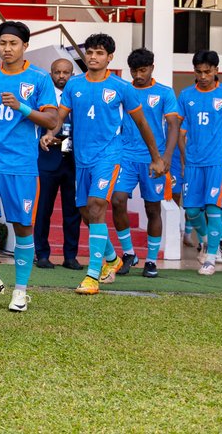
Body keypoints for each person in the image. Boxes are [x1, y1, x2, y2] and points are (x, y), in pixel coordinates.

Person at [44, 34, 165, 295]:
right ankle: (112, 259)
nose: (93, 57)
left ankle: (92, 276)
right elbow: (60, 116)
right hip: (82, 159)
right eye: (89, 52)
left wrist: (156, 157)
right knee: (87, 214)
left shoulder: (122, 87)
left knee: (97, 206)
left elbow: (143, 124)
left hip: (109, 156)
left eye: (99, 53)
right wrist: (50, 134)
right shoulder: (74, 85)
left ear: (109, 57)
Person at [0, 21, 58, 312]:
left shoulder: (40, 79)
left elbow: (52, 121)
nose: (7, 48)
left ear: (24, 46)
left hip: (21, 165)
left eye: (13, 43)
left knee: (23, 226)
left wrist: (22, 107)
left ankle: (20, 290)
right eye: (2, 43)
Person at [108, 48, 179, 279]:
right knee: (117, 201)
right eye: (134, 70)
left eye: (143, 70)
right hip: (125, 156)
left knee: (152, 208)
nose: (138, 75)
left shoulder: (164, 93)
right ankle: (129, 253)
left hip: (153, 159)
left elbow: (173, 126)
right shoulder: (123, 90)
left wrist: (166, 158)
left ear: (151, 68)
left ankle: (150, 259)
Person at [177, 50, 222, 276]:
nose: (203, 76)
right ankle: (211, 242)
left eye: (207, 72)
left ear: (216, 71)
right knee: (191, 210)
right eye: (199, 72)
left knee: (214, 206)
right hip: (193, 162)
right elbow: (180, 132)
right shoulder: (186, 95)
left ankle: (209, 259)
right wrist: (183, 159)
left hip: (218, 160)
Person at [35, 58, 82, 270]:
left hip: (73, 160)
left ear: (72, 74)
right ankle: (42, 254)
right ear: (50, 73)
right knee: (44, 209)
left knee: (72, 212)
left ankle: (70, 256)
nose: (61, 76)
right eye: (57, 72)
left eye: (66, 72)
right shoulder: (44, 95)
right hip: (48, 157)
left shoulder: (78, 94)